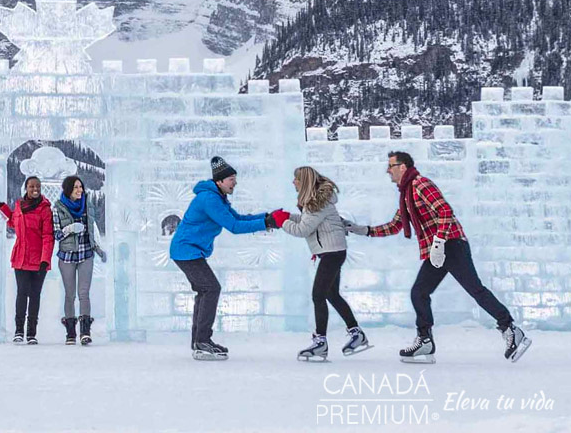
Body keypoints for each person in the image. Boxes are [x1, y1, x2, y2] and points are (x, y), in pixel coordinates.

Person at [343, 151, 531, 363]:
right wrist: (363, 230)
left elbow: (445, 211)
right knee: (419, 292)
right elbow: (395, 225)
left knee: (475, 290)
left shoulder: (420, 184)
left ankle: (511, 330)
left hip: (451, 245)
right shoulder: (406, 193)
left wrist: (440, 242)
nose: (388, 170)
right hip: (438, 250)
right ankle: (425, 341)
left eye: (391, 166)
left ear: (402, 166)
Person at [169, 156, 290, 361]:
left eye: (235, 178)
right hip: (186, 250)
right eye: (231, 179)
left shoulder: (217, 197)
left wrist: (267, 218)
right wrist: (266, 223)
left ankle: (199, 341)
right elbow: (234, 227)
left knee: (204, 290)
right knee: (210, 288)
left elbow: (238, 218)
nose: (235, 182)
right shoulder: (209, 199)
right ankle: (202, 341)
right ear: (220, 181)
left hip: (189, 251)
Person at [281, 166, 370, 362]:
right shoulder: (316, 202)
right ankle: (357, 333)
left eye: (296, 179)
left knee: (318, 295)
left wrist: (282, 222)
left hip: (332, 253)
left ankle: (320, 342)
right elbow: (306, 221)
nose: (293, 183)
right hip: (332, 252)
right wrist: (286, 217)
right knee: (331, 294)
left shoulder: (316, 203)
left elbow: (302, 229)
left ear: (304, 182)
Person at [0, 176, 54, 345]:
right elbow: (13, 223)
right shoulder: (19, 205)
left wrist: (45, 260)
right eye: (32, 186)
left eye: (38, 186)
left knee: (34, 295)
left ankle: (31, 333)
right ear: (26, 188)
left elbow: (48, 236)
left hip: (38, 260)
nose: (35, 189)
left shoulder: (45, 209)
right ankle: (18, 331)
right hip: (20, 258)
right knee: (21, 294)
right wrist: (2, 207)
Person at [53, 175, 106, 346]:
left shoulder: (86, 205)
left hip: (86, 254)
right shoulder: (58, 208)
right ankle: (70, 333)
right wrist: (69, 229)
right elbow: (56, 234)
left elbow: (92, 229)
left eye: (81, 187)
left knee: (84, 293)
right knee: (70, 295)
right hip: (67, 256)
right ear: (68, 189)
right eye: (76, 187)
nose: (80, 190)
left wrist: (98, 249)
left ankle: (85, 332)